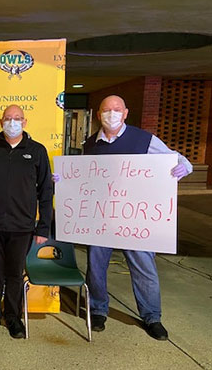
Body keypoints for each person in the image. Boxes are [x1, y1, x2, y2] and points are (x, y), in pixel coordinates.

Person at [77, 94, 191, 340]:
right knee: (96, 266)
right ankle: (98, 309)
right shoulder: (90, 144)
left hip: (136, 218)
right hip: (102, 217)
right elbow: (86, 178)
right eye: (107, 110)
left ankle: (152, 316)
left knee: (143, 267)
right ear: (99, 114)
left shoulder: (144, 139)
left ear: (125, 113)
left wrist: (185, 166)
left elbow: (175, 158)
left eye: (117, 109)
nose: (112, 114)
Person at [0, 104, 53, 338]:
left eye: (17, 118)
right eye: (8, 118)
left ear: (24, 122)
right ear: (1, 122)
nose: (12, 122)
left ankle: (13, 317)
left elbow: (46, 191)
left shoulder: (37, 151)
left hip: (22, 227)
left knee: (15, 274)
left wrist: (43, 227)